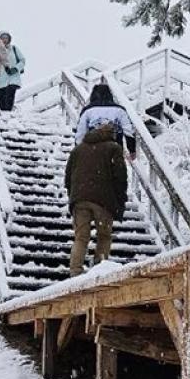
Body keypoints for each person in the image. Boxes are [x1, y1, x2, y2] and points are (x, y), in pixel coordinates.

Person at [64, 121, 129, 276]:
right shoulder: (113, 148)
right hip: (104, 201)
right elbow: (120, 177)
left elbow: (68, 176)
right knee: (104, 236)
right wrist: (120, 200)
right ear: (112, 135)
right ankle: (100, 270)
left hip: (80, 199)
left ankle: (75, 271)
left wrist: (73, 196)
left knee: (81, 237)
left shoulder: (78, 149)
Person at [75, 83, 138, 158]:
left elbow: (81, 132)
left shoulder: (88, 110)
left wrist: (78, 148)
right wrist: (132, 149)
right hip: (115, 148)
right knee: (115, 167)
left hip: (93, 148)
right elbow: (128, 131)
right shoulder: (120, 110)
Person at [0, 31, 26, 112]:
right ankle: (5, 119)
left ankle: (8, 112)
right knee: (2, 102)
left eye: (6, 38)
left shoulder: (14, 49)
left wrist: (16, 68)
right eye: (2, 38)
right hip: (1, 79)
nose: (4, 40)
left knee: (10, 95)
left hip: (13, 78)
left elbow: (22, 61)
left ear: (9, 39)